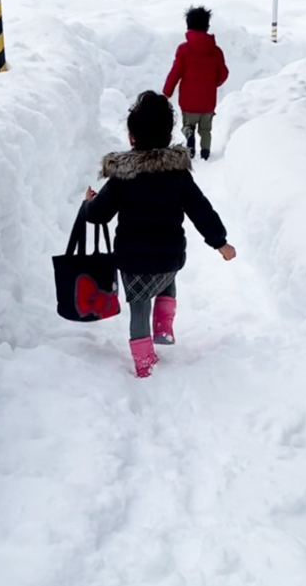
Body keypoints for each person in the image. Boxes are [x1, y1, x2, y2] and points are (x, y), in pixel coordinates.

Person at [84, 91, 236, 378]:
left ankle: (143, 362)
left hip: (133, 260)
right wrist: (221, 242)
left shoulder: (122, 175)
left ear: (131, 137)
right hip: (169, 256)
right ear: (168, 137)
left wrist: (89, 204)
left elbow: (99, 216)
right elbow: (200, 209)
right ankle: (164, 328)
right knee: (167, 280)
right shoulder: (177, 174)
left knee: (139, 307)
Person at [163, 5, 229, 160]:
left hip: (188, 101)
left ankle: (189, 137)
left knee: (188, 125)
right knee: (206, 130)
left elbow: (175, 73)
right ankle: (205, 152)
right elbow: (224, 74)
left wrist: (167, 93)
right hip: (208, 102)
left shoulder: (184, 50)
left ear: (188, 26)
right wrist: (214, 83)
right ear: (207, 26)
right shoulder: (216, 51)